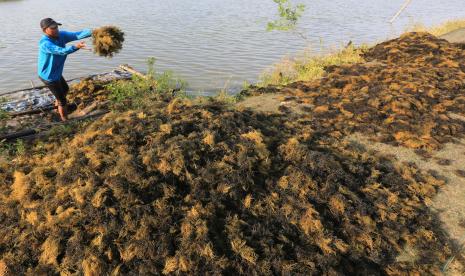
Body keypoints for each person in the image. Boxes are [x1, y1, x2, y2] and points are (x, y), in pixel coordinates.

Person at [38, 18, 91, 121]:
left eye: (57, 26)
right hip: (49, 76)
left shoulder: (61, 35)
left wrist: (93, 32)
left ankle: (57, 107)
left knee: (65, 89)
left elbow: (76, 35)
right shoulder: (45, 43)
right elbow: (61, 51)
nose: (56, 29)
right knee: (63, 100)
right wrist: (76, 47)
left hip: (56, 72)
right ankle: (65, 120)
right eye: (53, 28)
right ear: (45, 30)